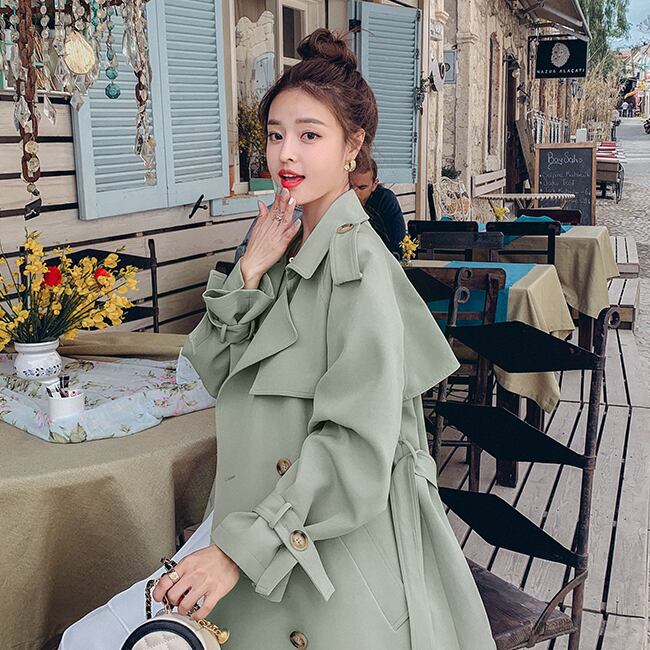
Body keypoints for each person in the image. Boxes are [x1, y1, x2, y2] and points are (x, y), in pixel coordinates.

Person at [60, 29, 495, 650]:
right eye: (274, 134)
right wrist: (249, 270)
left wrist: (236, 551)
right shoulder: (285, 246)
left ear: (352, 147)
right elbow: (211, 372)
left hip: (330, 555)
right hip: (264, 521)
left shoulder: (359, 269)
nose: (285, 154)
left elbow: (354, 448)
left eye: (310, 135)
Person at [349, 158, 406, 255]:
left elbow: (398, 244)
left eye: (362, 187)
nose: (354, 192)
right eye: (350, 186)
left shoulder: (384, 199)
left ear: (374, 185)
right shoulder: (335, 199)